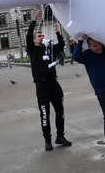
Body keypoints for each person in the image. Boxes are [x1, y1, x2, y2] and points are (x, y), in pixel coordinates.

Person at [26, 20, 72, 151]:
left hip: (53, 83)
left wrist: (58, 32)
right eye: (39, 36)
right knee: (45, 114)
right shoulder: (32, 49)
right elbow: (28, 37)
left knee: (60, 111)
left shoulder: (49, 48)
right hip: (41, 86)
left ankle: (60, 136)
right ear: (34, 40)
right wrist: (33, 22)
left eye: (42, 36)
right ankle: (47, 140)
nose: (42, 38)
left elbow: (61, 44)